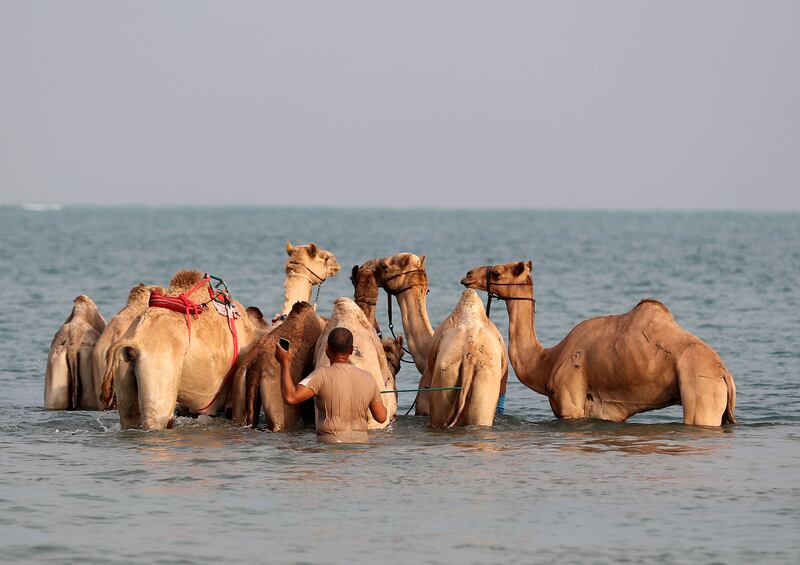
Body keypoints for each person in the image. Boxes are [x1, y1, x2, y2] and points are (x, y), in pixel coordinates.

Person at [275, 327, 387, 444]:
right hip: (362, 449)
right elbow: (381, 417)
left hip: (330, 448)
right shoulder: (368, 378)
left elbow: (291, 397)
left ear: (327, 348)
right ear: (351, 350)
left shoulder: (321, 375)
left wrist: (285, 363)